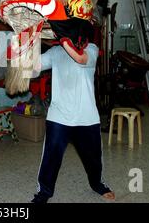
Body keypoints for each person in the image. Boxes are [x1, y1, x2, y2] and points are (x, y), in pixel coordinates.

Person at [31, 36, 115, 203]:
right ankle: (44, 192)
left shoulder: (91, 48)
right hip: (59, 116)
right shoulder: (55, 52)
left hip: (86, 116)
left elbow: (81, 59)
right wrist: (29, 44)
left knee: (93, 158)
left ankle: (97, 184)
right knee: (50, 157)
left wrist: (63, 40)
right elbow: (33, 69)